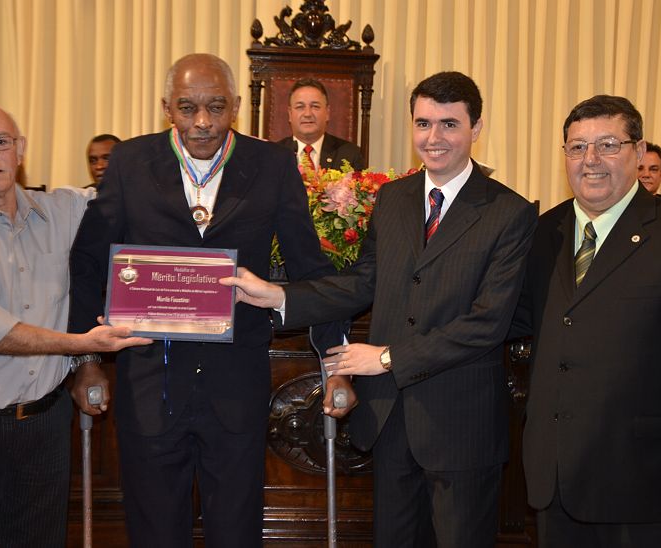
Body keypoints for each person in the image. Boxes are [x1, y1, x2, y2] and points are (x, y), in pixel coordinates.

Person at [222, 71, 538, 548]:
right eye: (424, 123)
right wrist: (281, 296)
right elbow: (363, 282)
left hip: (461, 427)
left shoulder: (508, 212)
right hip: (390, 420)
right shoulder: (393, 199)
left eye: (450, 124)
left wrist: (386, 357)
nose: (434, 138)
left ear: (476, 128)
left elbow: (487, 323)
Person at [68, 53, 353, 547]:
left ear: (237, 106)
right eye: (187, 107)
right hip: (148, 382)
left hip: (235, 384)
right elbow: (89, 262)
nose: (202, 122)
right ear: (166, 108)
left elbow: (311, 268)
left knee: (237, 531)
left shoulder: (270, 164)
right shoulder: (131, 163)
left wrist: (338, 363)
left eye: (216, 107)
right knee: (154, 530)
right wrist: (87, 358)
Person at [0, 102, 151, 548]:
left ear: (21, 149)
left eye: (0, 141)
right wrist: (81, 345)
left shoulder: (64, 211)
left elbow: (135, 201)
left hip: (46, 426)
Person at [511, 95, 661, 547]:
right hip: (553, 476)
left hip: (640, 479)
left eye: (608, 145)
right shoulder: (541, 233)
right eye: (577, 147)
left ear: (638, 153)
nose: (590, 160)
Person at [276, 78, 366, 171]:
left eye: (315, 106)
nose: (307, 114)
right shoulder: (273, 155)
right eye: (300, 107)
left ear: (327, 113)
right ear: (290, 114)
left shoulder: (350, 154)